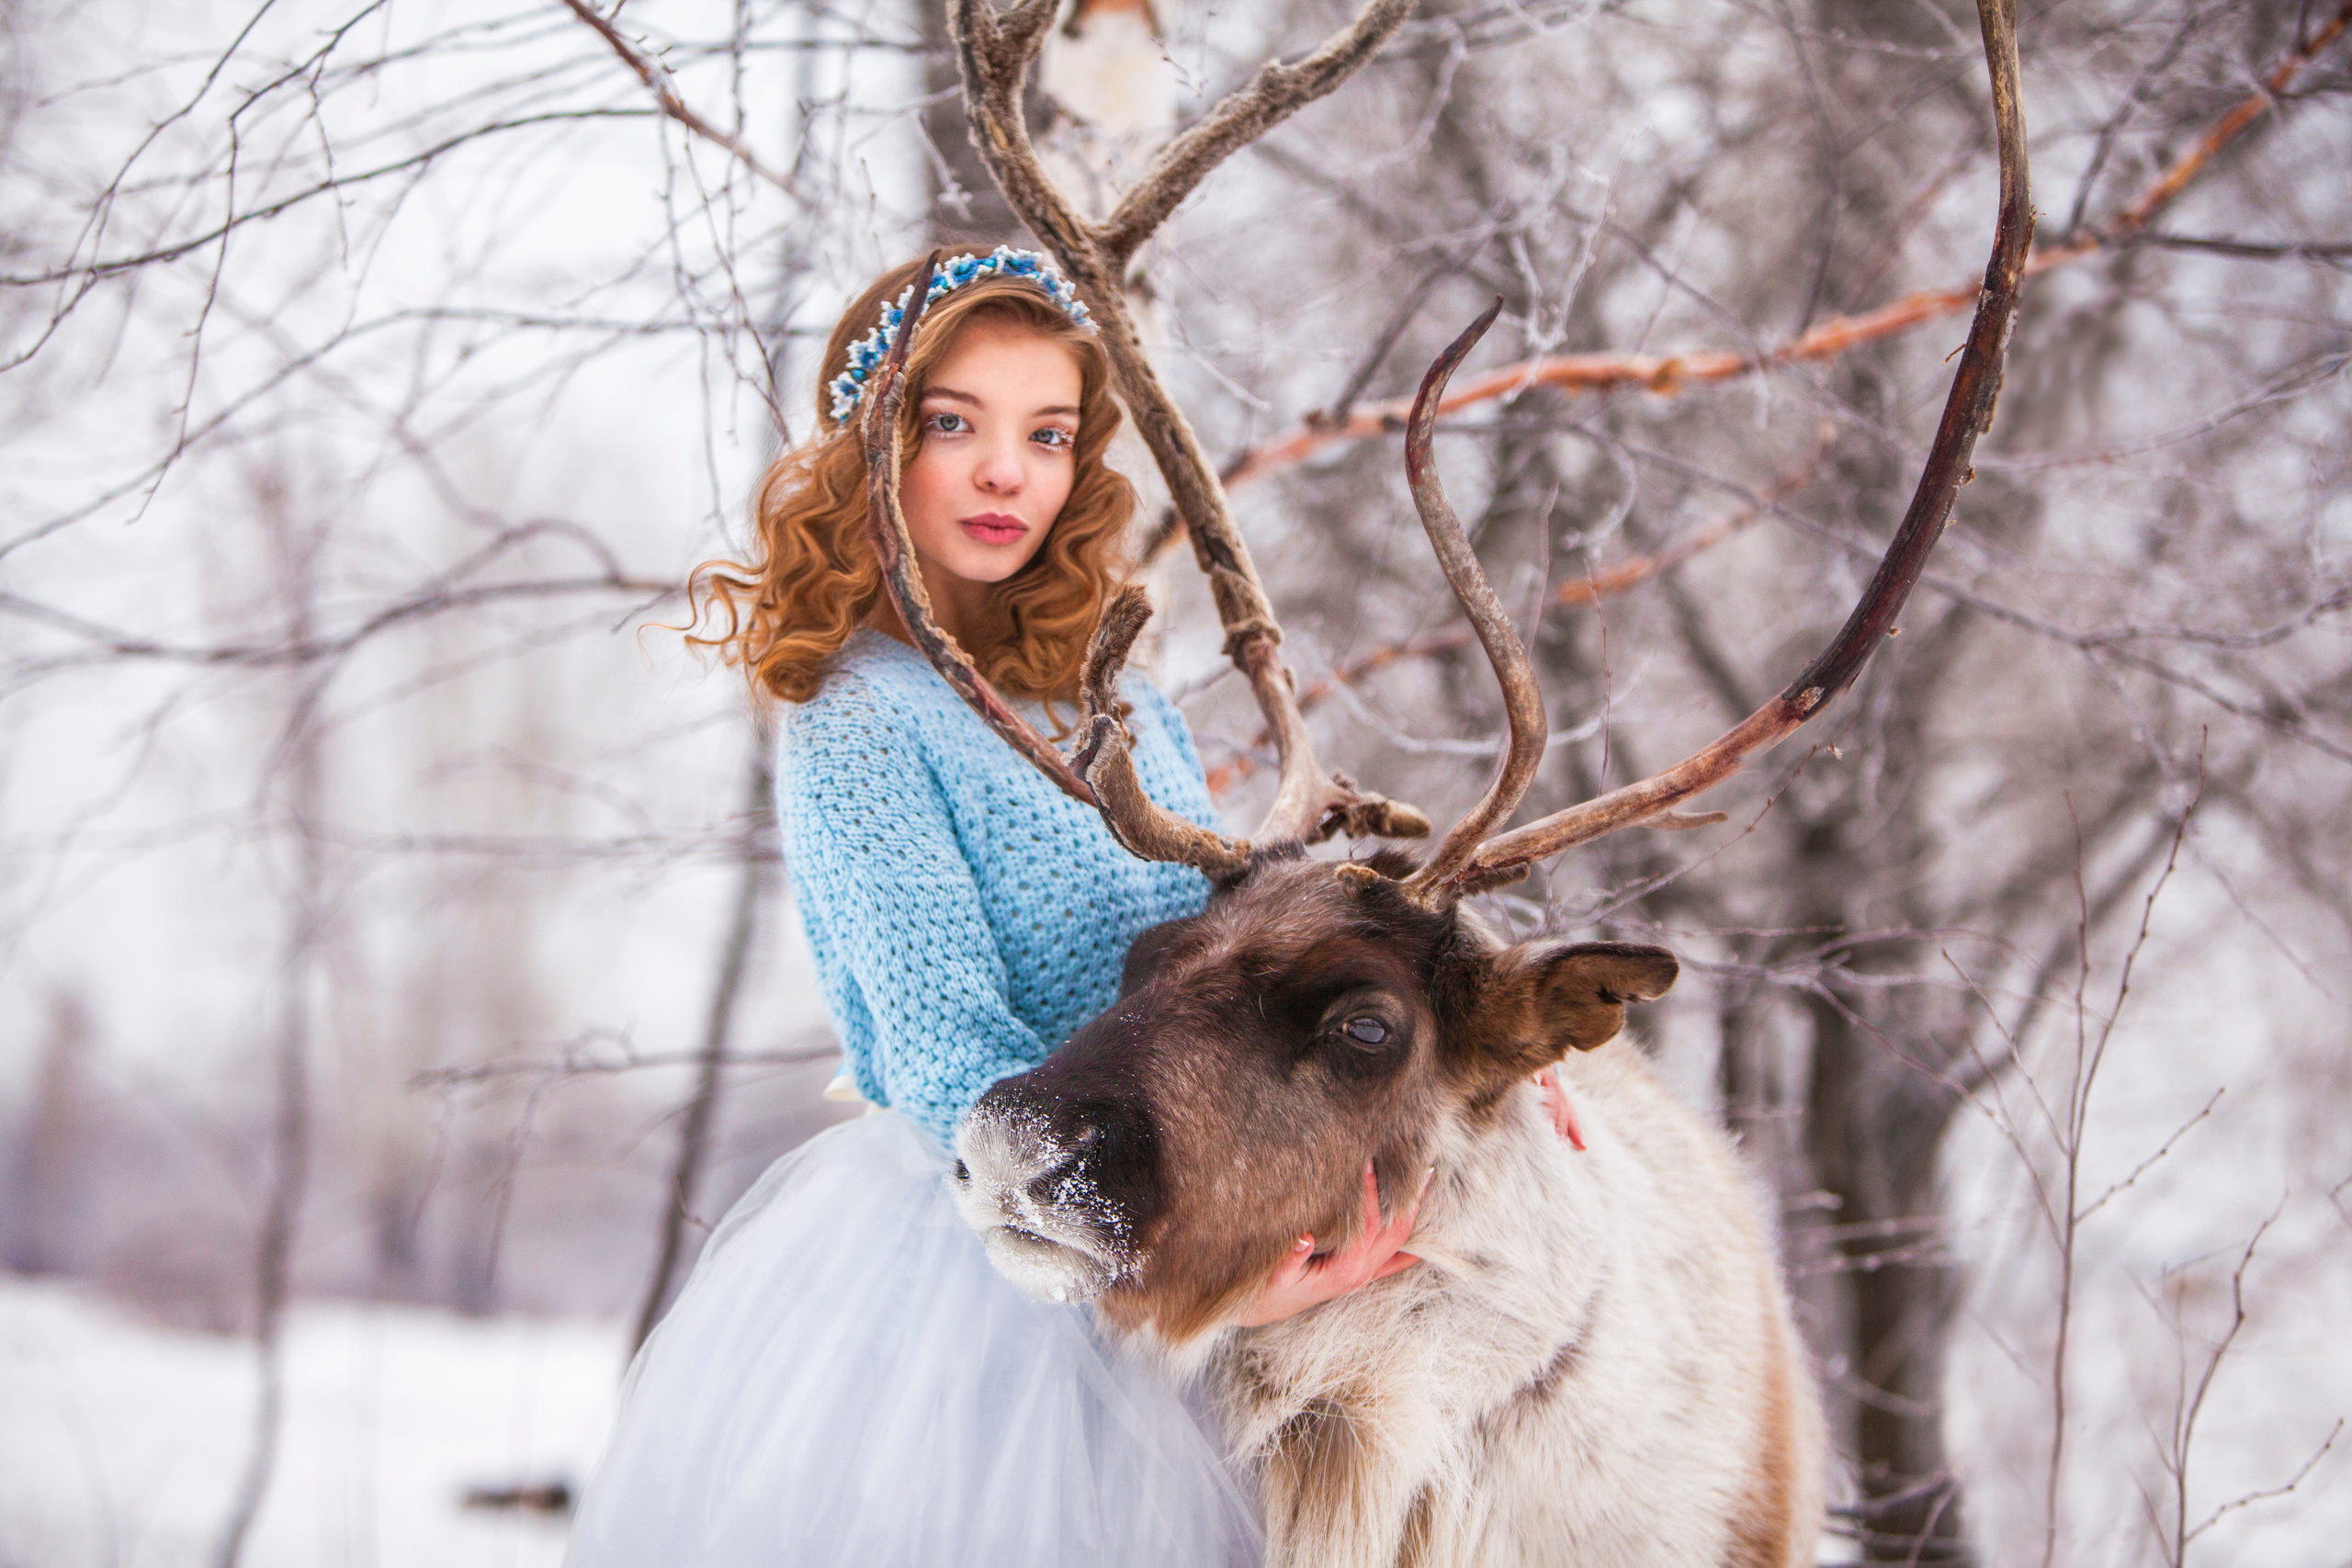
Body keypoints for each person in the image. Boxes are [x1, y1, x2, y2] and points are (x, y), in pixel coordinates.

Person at [564, 249, 1570, 1568]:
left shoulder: (1120, 699)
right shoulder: (858, 713)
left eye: (1045, 435)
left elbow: (1232, 945)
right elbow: (940, 1050)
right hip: (1008, 1242)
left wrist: (1471, 1017)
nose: (1005, 473)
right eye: (953, 425)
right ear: (873, 449)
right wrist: (1170, 1262)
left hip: (1177, 1183)